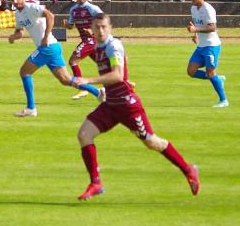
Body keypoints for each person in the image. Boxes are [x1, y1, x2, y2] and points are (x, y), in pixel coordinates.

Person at [75, 14, 200, 200]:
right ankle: (96, 182)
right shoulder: (98, 46)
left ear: (109, 28)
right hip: (111, 104)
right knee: (84, 135)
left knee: (151, 141)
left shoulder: (112, 45)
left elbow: (117, 75)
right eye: (97, 27)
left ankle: (188, 169)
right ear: (91, 29)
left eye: (103, 27)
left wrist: (88, 80)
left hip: (127, 105)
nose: (100, 30)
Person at [8, 0, 102, 117]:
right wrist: (14, 37)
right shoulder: (18, 15)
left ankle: (31, 108)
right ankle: (98, 93)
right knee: (66, 80)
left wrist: (46, 37)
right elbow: (20, 32)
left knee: (24, 72)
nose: (15, 1)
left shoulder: (31, 7)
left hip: (48, 47)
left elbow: (50, 16)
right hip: (52, 48)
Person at [187, 0, 228, 108]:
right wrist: (196, 34)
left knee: (210, 73)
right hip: (201, 46)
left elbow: (212, 27)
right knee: (191, 71)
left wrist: (196, 29)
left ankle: (224, 100)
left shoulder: (208, 9)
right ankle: (217, 79)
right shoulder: (193, 8)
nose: (192, 0)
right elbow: (195, 23)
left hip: (211, 46)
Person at [65, 0, 103, 99]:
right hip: (86, 40)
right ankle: (126, 83)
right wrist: (67, 25)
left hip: (91, 40)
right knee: (103, 65)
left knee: (72, 61)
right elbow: (71, 26)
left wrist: (93, 30)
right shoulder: (73, 10)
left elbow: (103, 19)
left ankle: (83, 88)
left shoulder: (92, 8)